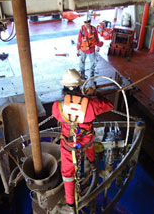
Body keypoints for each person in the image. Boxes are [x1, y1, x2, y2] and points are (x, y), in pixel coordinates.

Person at [52, 69, 113, 213]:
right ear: (80, 86)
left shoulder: (57, 107)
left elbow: (66, 112)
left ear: (64, 87)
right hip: (86, 140)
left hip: (69, 145)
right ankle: (92, 163)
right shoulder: (91, 105)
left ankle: (71, 205)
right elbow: (109, 105)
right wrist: (95, 94)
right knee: (90, 142)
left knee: (67, 174)